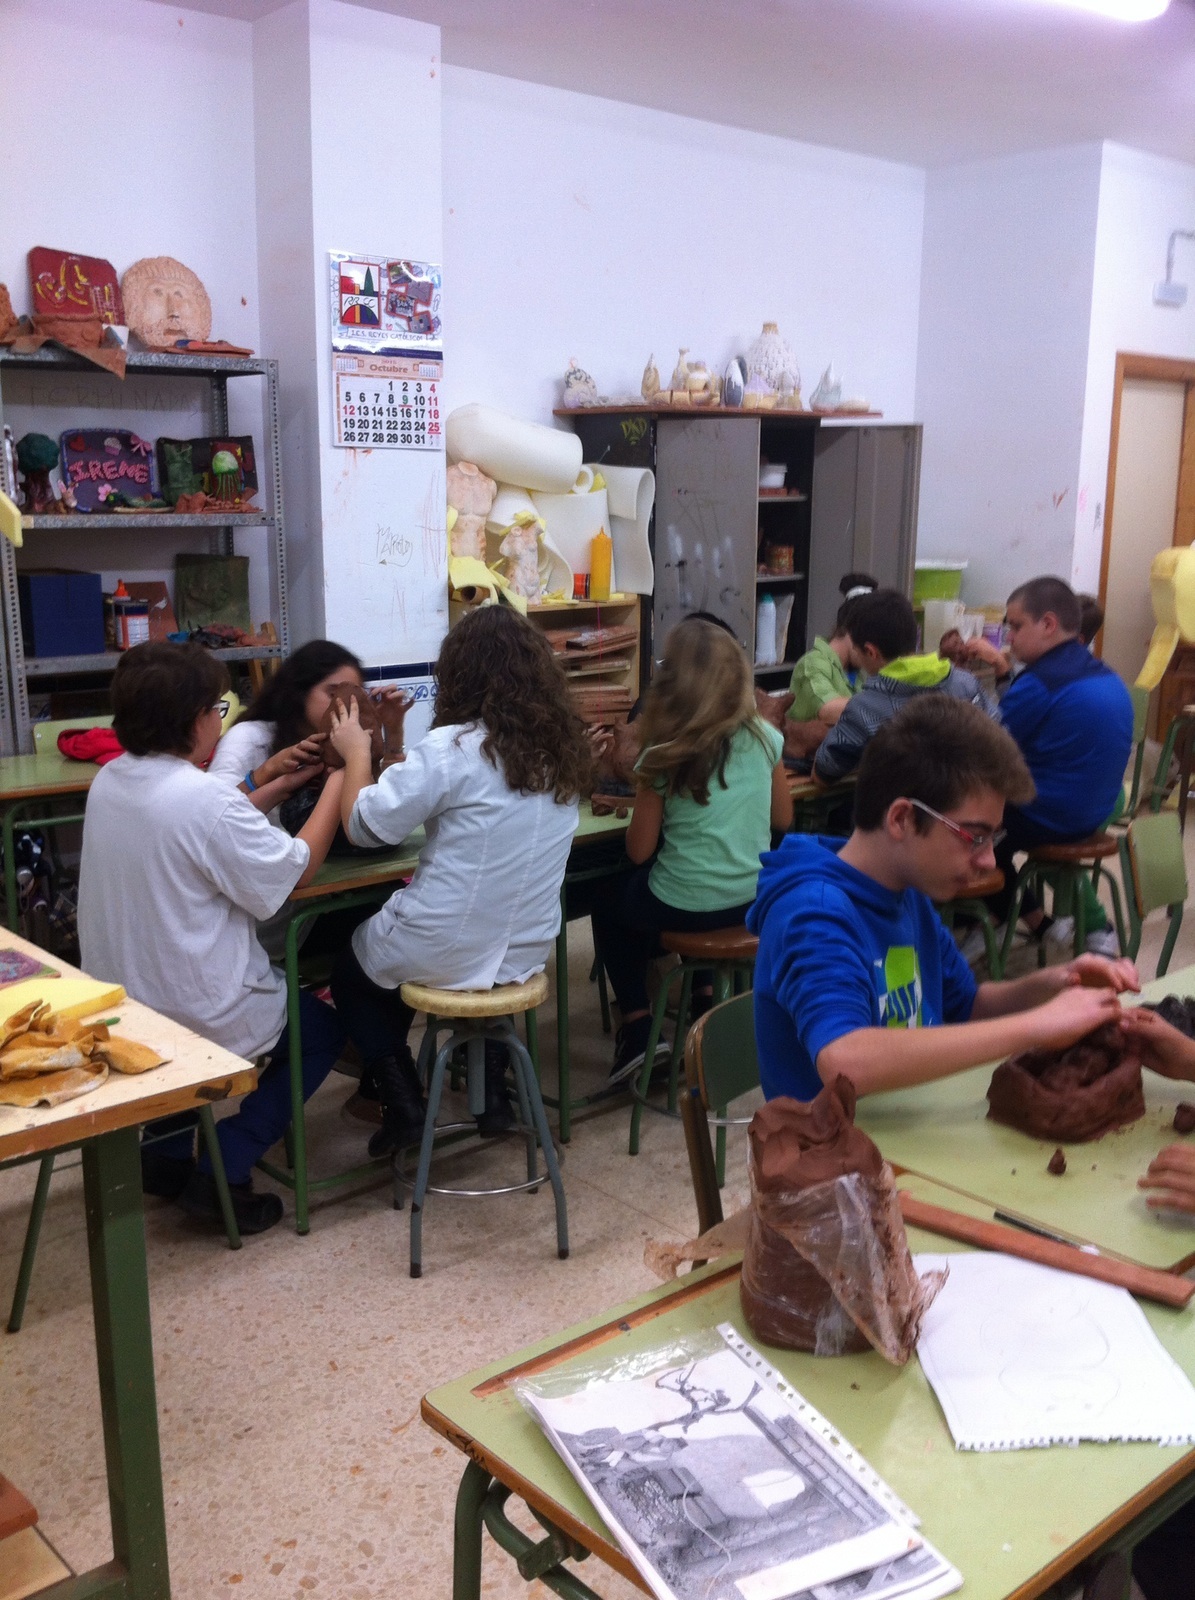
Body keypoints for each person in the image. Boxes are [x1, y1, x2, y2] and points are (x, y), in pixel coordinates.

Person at [77, 643, 347, 1233]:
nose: (220, 721)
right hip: (199, 1008)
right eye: (217, 709)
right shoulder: (202, 800)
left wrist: (272, 782)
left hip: (127, 1003)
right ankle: (229, 1157)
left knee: (178, 1019)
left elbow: (203, 822)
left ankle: (165, 1152)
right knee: (323, 1032)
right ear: (196, 718)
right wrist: (341, 776)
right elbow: (297, 868)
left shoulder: (112, 779)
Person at [749, 696, 1138, 1103]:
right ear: (901, 819)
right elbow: (846, 1060)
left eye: (993, 838)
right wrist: (1037, 1026)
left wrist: (1058, 983)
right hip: (839, 1140)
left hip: (909, 1120)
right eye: (975, 837)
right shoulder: (814, 910)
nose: (989, 861)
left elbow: (969, 1005)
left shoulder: (906, 894)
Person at [326, 606, 592, 1153]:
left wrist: (355, 753)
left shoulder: (453, 747)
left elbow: (364, 827)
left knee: (354, 969)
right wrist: (393, 742)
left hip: (445, 942)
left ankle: (401, 1101)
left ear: (458, 675)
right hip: (524, 948)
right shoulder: (559, 751)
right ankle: (491, 1090)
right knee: (448, 958)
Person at [591, 616, 793, 1083]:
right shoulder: (766, 739)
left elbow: (639, 851)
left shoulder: (662, 754)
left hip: (684, 905)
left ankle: (638, 1029)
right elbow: (782, 819)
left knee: (611, 901)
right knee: (691, 883)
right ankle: (704, 1003)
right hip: (751, 902)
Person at [986, 575, 1133, 957]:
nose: (1010, 638)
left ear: (1048, 624)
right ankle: (1038, 922)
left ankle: (994, 924)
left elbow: (985, 749)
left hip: (1052, 817)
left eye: (1016, 626)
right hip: (1098, 810)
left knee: (965, 836)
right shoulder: (1107, 674)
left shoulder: (1040, 683)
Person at [812, 588, 998, 784]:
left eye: (857, 651)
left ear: (871, 652)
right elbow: (1001, 741)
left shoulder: (865, 708)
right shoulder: (966, 683)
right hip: (966, 798)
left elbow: (823, 773)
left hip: (900, 803)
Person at [207, 638, 364, 806]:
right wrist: (268, 772)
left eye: (355, 697)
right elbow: (213, 812)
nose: (345, 705)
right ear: (301, 691)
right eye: (333, 694)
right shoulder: (247, 738)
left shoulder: (350, 744)